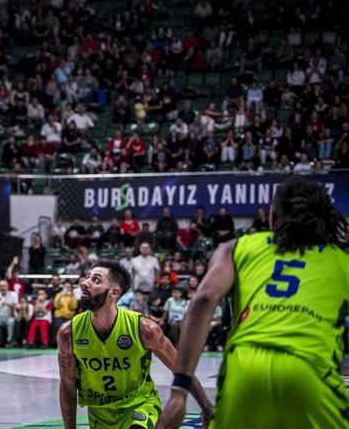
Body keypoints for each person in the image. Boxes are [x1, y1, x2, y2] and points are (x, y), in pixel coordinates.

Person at [158, 177, 349, 429]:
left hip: (244, 370)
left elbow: (203, 300)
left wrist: (179, 392)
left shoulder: (238, 247)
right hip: (312, 373)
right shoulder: (341, 260)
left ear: (273, 217)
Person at [57, 261, 212, 429]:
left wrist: (206, 407)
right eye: (88, 277)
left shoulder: (145, 329)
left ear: (114, 292)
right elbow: (68, 386)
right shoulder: (68, 333)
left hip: (140, 405)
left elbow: (180, 369)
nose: (84, 283)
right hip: (100, 415)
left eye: (96, 280)